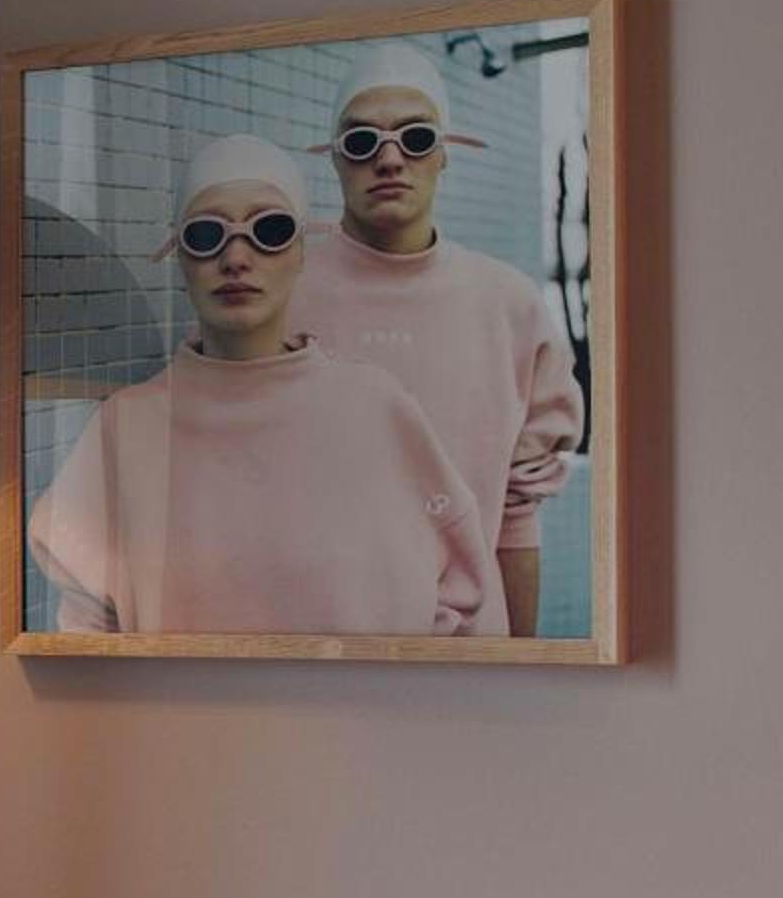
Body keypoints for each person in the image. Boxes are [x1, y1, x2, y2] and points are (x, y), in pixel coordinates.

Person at [27, 134, 500, 638]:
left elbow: (464, 605)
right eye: (207, 235)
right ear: (180, 257)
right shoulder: (128, 425)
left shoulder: (374, 406)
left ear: (300, 253)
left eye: (269, 230)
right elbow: (87, 634)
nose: (236, 257)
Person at [288, 39, 586, 636]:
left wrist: (520, 665)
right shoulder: (279, 294)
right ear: (336, 159)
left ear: (444, 153)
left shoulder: (508, 306)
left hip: (467, 654)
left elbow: (516, 515)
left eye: (416, 138)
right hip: (305, 645)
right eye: (362, 141)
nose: (389, 159)